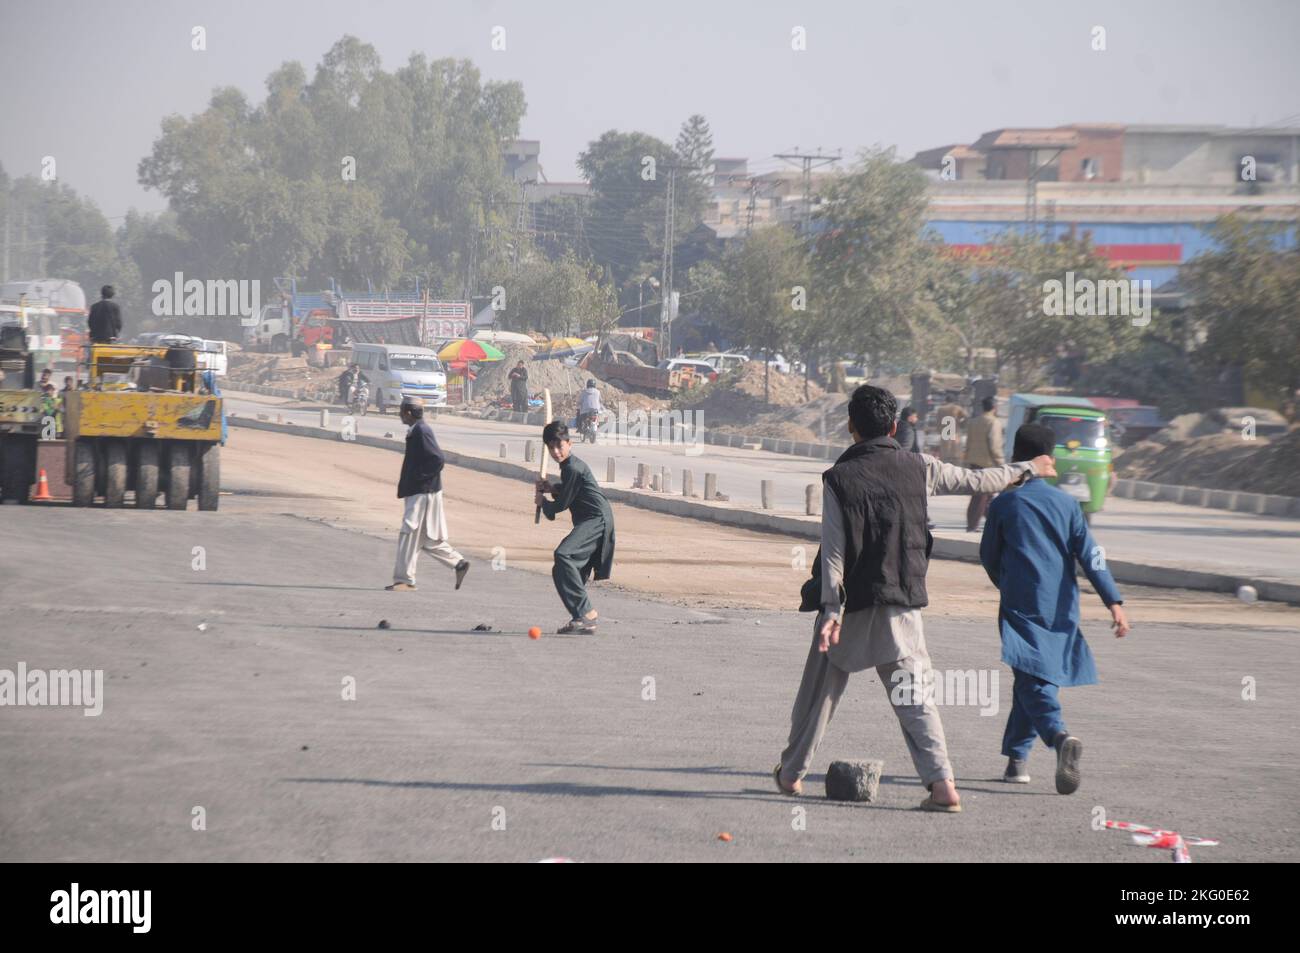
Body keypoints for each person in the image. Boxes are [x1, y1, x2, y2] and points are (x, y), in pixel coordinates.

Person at [775, 385, 1057, 812]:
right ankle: (943, 786)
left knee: (819, 694)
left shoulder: (838, 478)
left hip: (850, 607)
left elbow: (833, 551)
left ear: (851, 428)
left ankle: (792, 774)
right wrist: (1028, 468)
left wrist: (831, 609)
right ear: (893, 426)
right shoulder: (920, 467)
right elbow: (980, 480)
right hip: (902, 604)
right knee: (915, 698)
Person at [980, 423, 1130, 794]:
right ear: (1048, 457)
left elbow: (989, 557)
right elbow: (1092, 556)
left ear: (1016, 457)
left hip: (1021, 606)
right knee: (1032, 678)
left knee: (1034, 681)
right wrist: (1113, 601)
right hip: (1062, 607)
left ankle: (1059, 737)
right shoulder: (1067, 504)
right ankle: (1016, 760)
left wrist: (1008, 582)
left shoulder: (1004, 504)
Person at [535, 420, 616, 634]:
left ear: (569, 444)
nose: (555, 451)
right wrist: (551, 488)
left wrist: (544, 504)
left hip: (596, 520)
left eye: (559, 446)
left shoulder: (572, 467)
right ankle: (580, 618)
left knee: (564, 555)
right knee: (561, 569)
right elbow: (571, 491)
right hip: (591, 520)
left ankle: (587, 612)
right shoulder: (569, 468)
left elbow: (561, 505)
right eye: (550, 447)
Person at [386, 397, 470, 592]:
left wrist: (419, 479)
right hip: (421, 492)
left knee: (409, 533)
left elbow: (437, 460)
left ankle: (405, 580)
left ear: (408, 412)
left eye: (401, 411)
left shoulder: (422, 431)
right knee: (425, 538)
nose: (399, 414)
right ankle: (458, 563)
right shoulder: (417, 430)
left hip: (422, 493)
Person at [964, 396, 1004, 532]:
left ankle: (994, 523)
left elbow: (968, 443)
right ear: (994, 407)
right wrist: (1001, 462)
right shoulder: (994, 422)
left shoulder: (973, 422)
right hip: (988, 464)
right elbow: (994, 445)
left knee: (983, 497)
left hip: (973, 462)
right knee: (981, 497)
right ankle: (972, 526)